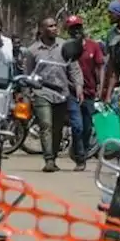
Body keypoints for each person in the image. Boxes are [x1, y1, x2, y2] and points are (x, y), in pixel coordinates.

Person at [24, 17, 85, 172]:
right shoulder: (32, 51)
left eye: (55, 25)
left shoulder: (65, 46)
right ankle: (49, 160)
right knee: (46, 125)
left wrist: (78, 86)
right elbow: (27, 74)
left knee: (57, 128)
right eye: (49, 26)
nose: (54, 28)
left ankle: (54, 157)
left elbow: (74, 69)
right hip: (41, 92)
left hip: (61, 92)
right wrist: (26, 94)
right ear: (42, 30)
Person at [65, 15, 105, 159]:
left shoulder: (93, 46)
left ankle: (83, 149)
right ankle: (80, 156)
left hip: (89, 91)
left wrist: (100, 87)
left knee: (87, 127)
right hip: (72, 91)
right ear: (68, 31)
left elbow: (100, 67)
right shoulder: (66, 47)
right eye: (72, 28)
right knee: (77, 126)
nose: (76, 31)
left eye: (78, 27)